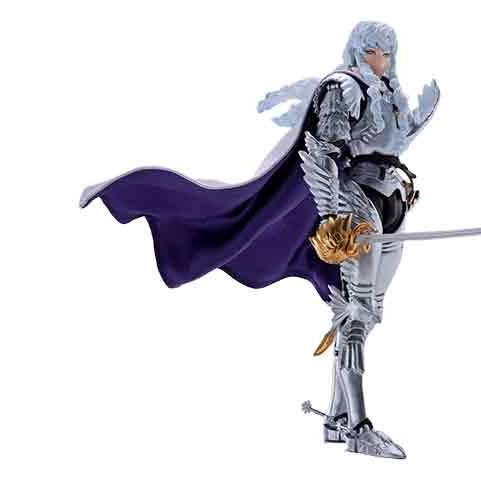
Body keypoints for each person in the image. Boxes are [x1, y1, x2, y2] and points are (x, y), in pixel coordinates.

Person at [80, 20, 439, 459]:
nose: (379, 61)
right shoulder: (343, 88)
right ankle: (358, 426)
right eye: (371, 52)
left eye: (386, 53)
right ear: (356, 51)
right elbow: (323, 154)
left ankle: (336, 416)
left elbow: (389, 147)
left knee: (365, 312)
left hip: (393, 202)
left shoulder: (389, 92)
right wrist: (333, 220)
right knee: (356, 312)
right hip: (357, 204)